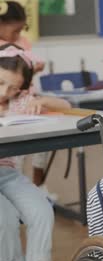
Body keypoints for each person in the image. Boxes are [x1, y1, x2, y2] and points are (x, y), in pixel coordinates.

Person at [0, 44, 70, 261]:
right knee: (5, 219)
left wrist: (38, 101)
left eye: (13, 87)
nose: (4, 93)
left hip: (7, 174)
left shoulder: (16, 103)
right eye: (0, 83)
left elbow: (65, 104)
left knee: (42, 210)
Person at [0, 1, 49, 189]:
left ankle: (38, 187)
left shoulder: (22, 42)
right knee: (15, 153)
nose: (18, 35)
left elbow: (23, 75)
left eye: (21, 30)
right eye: (15, 31)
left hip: (26, 100)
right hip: (8, 107)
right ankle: (17, 186)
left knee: (42, 145)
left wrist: (32, 69)